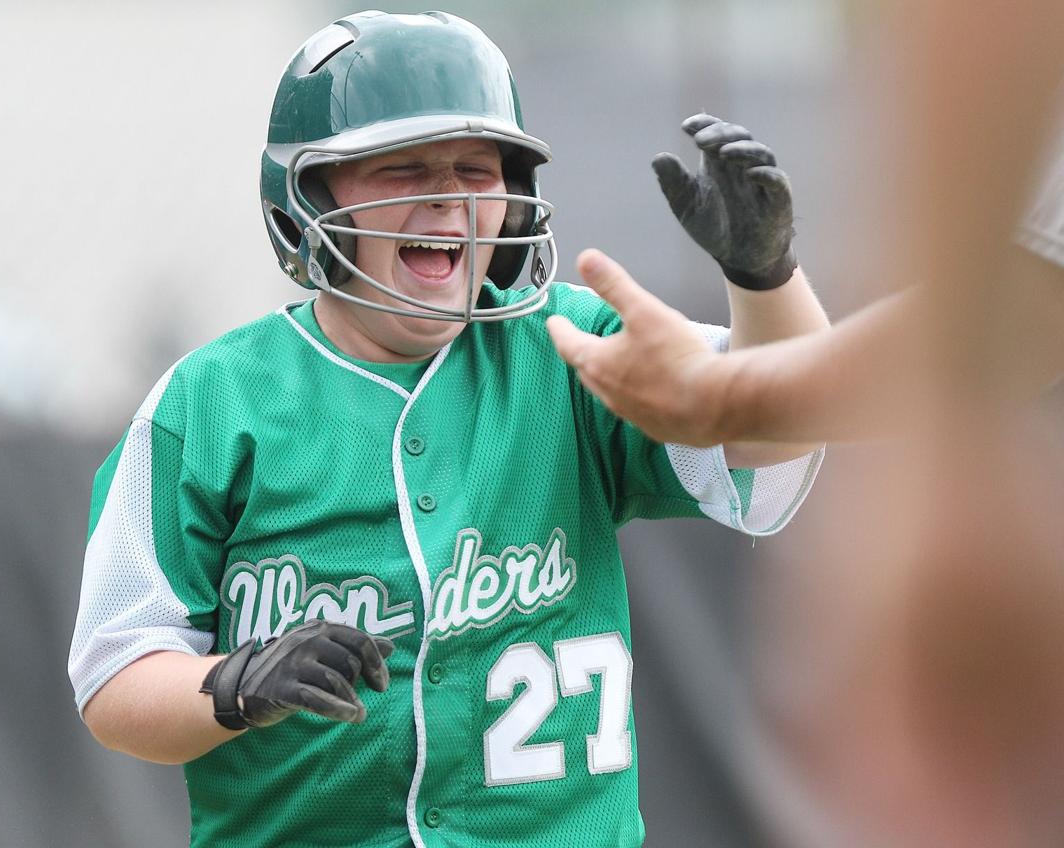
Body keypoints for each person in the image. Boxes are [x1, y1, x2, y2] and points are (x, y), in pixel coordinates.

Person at [67, 11, 827, 848]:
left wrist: (765, 279)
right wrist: (232, 684)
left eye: (476, 169)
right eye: (402, 169)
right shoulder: (210, 402)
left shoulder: (568, 347)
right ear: (305, 201)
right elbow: (116, 680)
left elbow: (768, 431)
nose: (447, 198)